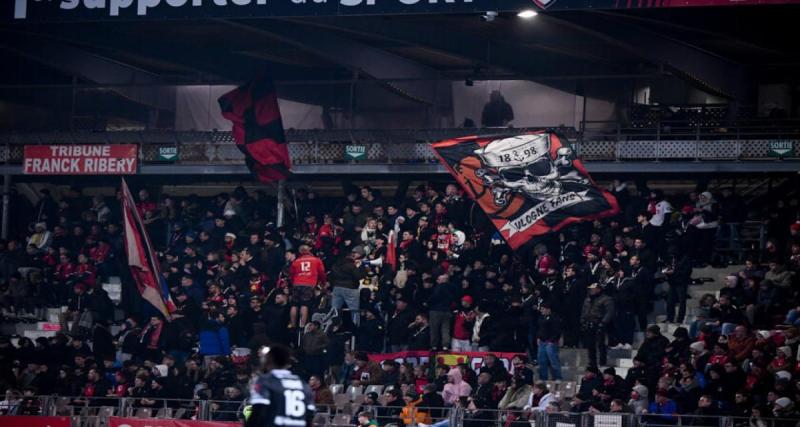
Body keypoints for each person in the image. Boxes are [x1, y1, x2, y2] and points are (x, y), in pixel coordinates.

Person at [245, 345, 314, 427]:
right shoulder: (303, 384)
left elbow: (258, 411)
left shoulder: (267, 381)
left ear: (268, 361)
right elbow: (309, 415)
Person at [288, 244, 327, 328]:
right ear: (309, 250)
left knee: (294, 305)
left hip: (296, 284)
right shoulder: (316, 260)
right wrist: (323, 282)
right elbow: (322, 273)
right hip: (308, 284)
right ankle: (302, 326)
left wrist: (293, 283)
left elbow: (291, 274)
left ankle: (293, 325)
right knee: (304, 304)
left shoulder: (296, 261)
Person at [580, 283, 615, 368]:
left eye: (593, 289)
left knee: (600, 344)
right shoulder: (588, 299)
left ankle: (602, 361)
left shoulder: (606, 299)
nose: (591, 290)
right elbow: (584, 311)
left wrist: (603, 323)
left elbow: (610, 312)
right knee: (590, 345)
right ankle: (592, 362)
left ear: (598, 289)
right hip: (589, 324)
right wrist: (583, 321)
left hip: (599, 323)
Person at [536, 302, 563, 380]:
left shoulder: (555, 318)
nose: (541, 311)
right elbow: (539, 329)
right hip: (542, 342)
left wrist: (552, 341)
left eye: (543, 309)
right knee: (542, 362)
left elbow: (557, 331)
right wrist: (538, 337)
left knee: (554, 362)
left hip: (551, 343)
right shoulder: (541, 317)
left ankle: (557, 378)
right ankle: (543, 379)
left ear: (548, 309)